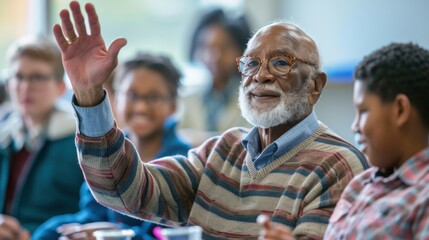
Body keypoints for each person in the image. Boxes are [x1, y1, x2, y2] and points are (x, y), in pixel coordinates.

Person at [53, 1, 368, 239]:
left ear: (316, 85)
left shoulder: (338, 164)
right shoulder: (224, 149)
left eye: (281, 63)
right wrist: (90, 94)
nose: (260, 75)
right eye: (251, 63)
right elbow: (125, 190)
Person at [259, 43, 429, 239]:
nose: (354, 126)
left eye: (363, 111)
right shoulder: (361, 184)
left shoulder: (422, 197)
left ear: (400, 110)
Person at [32, 53, 192, 240]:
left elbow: (171, 235)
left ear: (172, 105)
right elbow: (92, 215)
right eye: (132, 95)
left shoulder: (184, 162)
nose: (141, 107)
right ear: (115, 99)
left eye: (154, 97)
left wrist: (122, 235)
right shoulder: (106, 150)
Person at [0, 36, 84, 239]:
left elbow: (93, 214)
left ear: (61, 87)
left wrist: (33, 235)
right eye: (18, 77)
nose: (26, 87)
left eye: (37, 78)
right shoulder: (5, 137)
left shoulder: (81, 142)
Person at [179, 8, 252, 145]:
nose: (214, 56)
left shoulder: (253, 97)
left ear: (242, 50)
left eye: (224, 48)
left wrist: (195, 138)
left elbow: (252, 141)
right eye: (206, 47)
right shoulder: (186, 97)